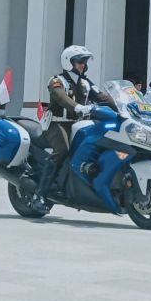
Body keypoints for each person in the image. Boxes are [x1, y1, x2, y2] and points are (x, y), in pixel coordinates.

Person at [40, 45, 116, 208]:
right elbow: (60, 97)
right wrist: (77, 107)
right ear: (69, 62)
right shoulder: (57, 81)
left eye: (84, 62)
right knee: (63, 150)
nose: (82, 65)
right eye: (79, 61)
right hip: (58, 123)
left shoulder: (85, 83)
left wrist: (122, 110)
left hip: (80, 125)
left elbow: (103, 98)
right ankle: (40, 193)